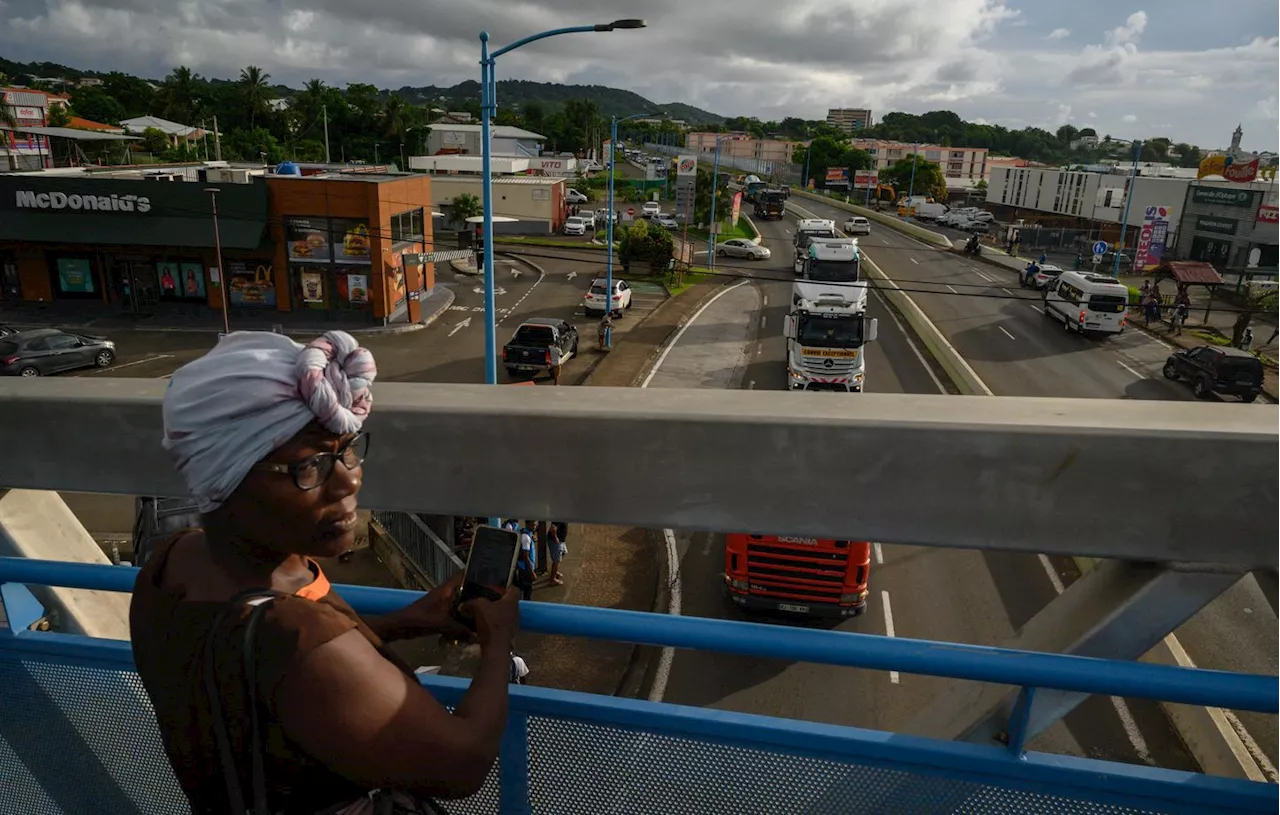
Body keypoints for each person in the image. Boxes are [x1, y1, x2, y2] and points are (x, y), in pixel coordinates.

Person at [130, 330, 520, 814]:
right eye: (311, 465)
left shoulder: (172, 563)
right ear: (224, 477)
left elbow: (275, 680)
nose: (350, 478)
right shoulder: (294, 637)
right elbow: (463, 762)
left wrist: (405, 622)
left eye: (348, 449)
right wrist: (498, 640)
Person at [514, 523, 536, 600]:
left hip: (524, 568)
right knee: (528, 591)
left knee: (521, 588)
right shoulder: (526, 537)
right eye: (533, 525)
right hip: (525, 569)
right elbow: (526, 557)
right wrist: (532, 573)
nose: (535, 526)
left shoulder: (528, 533)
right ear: (528, 524)